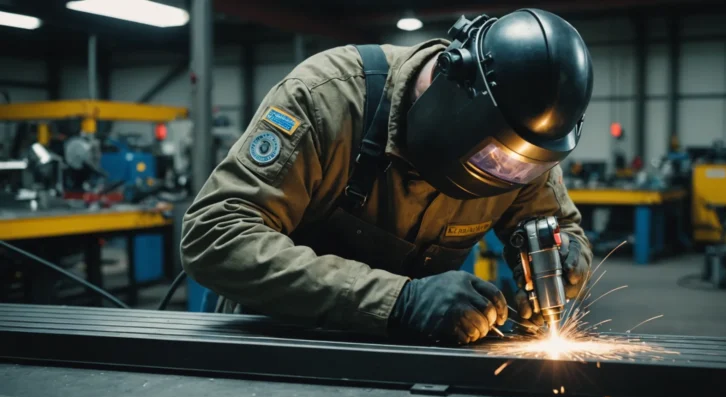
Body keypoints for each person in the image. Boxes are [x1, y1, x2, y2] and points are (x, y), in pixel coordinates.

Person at [181, 9, 594, 345]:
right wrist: (400, 301)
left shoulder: (522, 144)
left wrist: (565, 260)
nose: (507, 172)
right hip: (280, 340)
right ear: (453, 96)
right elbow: (215, 236)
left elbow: (560, 227)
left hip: (411, 349)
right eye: (494, 159)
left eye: (524, 164)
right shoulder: (328, 98)